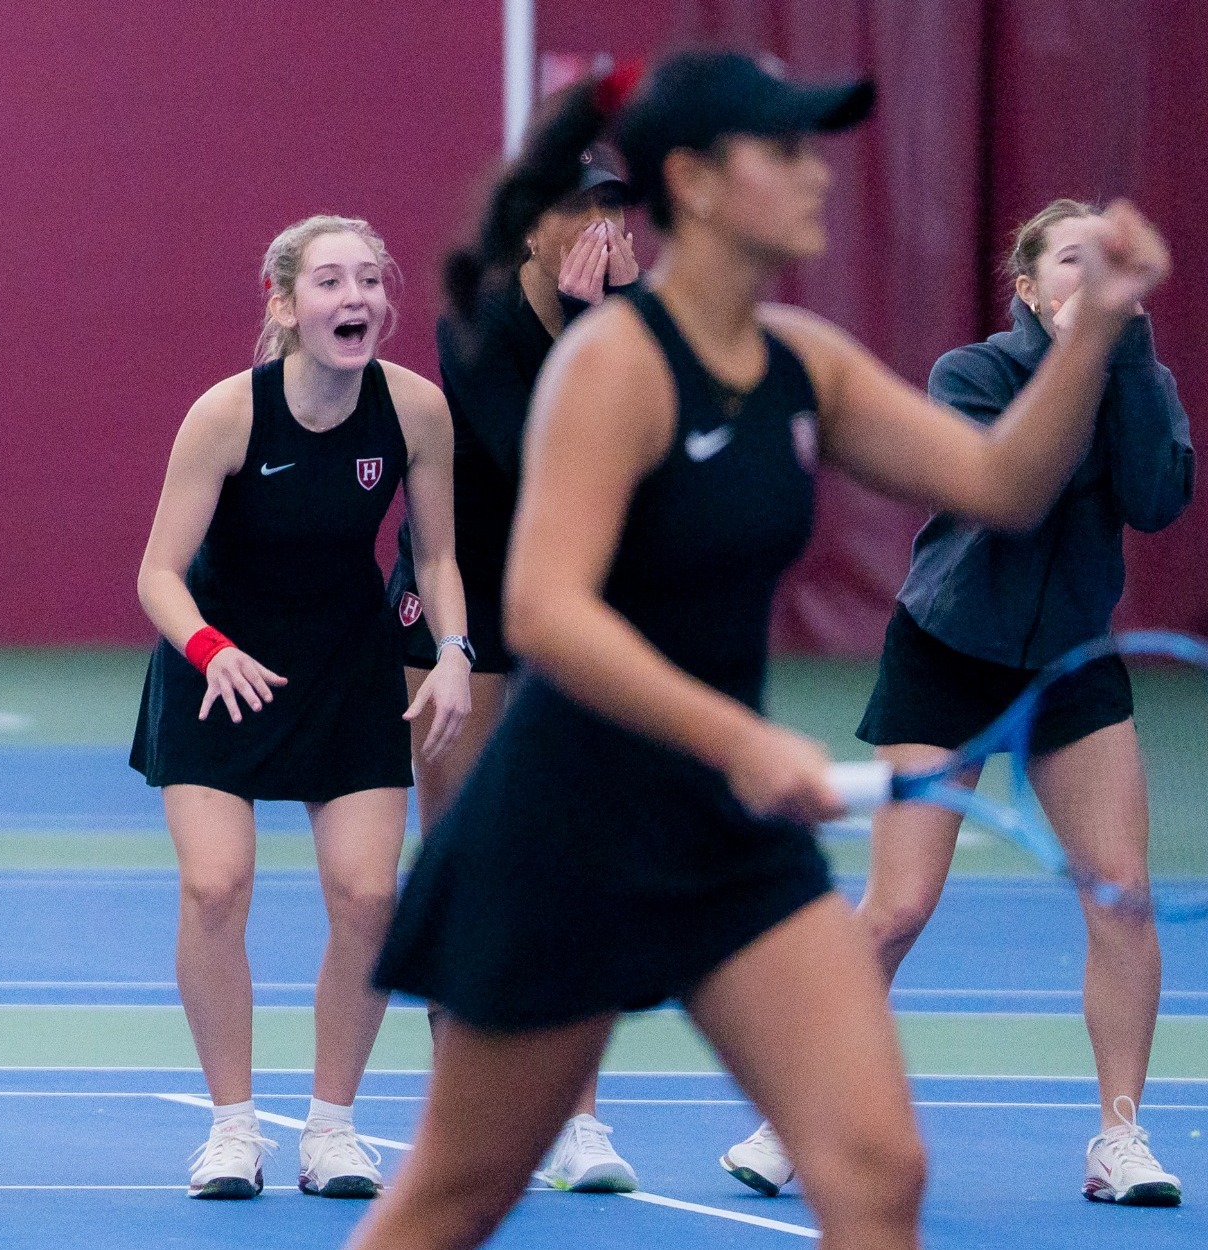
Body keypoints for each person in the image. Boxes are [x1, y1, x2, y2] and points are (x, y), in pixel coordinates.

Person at [349, 52, 1170, 1250]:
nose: (813, 173)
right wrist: (741, 737)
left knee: (876, 1167)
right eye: (780, 150)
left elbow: (1002, 481)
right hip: (565, 825)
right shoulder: (613, 362)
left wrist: (1095, 326)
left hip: (723, 840)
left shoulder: (800, 360)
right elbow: (545, 612)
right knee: (453, 1196)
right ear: (691, 180)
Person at [721, 199, 1192, 1207]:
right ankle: (791, 1109)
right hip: (945, 652)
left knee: (1121, 891)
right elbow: (1004, 494)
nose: (1088, 272)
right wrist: (1077, 369)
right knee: (895, 906)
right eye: (1068, 258)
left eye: (1102, 260)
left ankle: (1119, 1137)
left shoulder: (1132, 376)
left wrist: (1131, 355)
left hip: (1069, 662)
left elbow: (1156, 497)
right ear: (1027, 288)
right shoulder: (971, 375)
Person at [130, 215, 472, 1200]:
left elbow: (438, 554)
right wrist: (208, 649)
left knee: (368, 896)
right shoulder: (226, 415)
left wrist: (452, 651)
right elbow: (157, 572)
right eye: (330, 281)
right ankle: (231, 1126)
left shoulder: (413, 410)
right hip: (218, 666)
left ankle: (331, 1127)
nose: (354, 297)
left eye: (368, 280)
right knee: (214, 886)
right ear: (284, 304)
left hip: (345, 669)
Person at [386, 142, 643, 1193]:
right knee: (462, 852)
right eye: (574, 208)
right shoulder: (473, 323)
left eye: (609, 209)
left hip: (564, 610)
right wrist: (587, 327)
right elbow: (533, 447)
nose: (598, 227)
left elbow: (635, 455)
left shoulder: (633, 331)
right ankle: (465, 1104)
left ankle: (576, 1115)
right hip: (461, 607)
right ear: (528, 227)